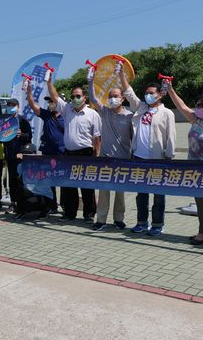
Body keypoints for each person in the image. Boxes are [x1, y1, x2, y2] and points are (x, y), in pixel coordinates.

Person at [167, 83, 203, 245]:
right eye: (197, 105)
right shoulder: (196, 120)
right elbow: (180, 105)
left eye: (200, 106)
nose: (197, 108)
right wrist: (171, 89)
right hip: (192, 169)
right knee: (200, 202)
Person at [120, 71, 176, 236]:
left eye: (151, 93)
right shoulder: (141, 108)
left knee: (158, 195)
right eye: (146, 93)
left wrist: (169, 157)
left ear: (160, 95)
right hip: (139, 157)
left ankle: (157, 224)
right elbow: (129, 93)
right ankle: (142, 222)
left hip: (158, 159)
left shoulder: (167, 113)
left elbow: (171, 136)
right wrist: (122, 74)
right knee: (141, 194)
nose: (148, 96)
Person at [47, 79, 101, 222]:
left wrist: (96, 155)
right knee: (69, 185)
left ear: (85, 98)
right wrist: (49, 82)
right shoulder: (67, 110)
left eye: (78, 96)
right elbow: (55, 97)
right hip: (69, 154)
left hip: (86, 153)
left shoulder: (92, 114)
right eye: (73, 96)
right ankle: (70, 213)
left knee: (86, 185)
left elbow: (97, 137)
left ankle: (89, 214)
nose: (75, 99)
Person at [87, 78, 133, 231]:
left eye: (116, 96)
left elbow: (134, 137)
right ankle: (100, 220)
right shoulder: (105, 112)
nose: (113, 98)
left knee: (120, 192)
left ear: (123, 98)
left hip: (123, 159)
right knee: (104, 190)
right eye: (110, 96)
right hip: (105, 159)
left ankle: (118, 219)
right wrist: (90, 81)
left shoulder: (130, 116)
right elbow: (93, 98)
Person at [25, 84, 65, 209]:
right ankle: (51, 206)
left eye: (52, 101)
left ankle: (65, 206)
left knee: (64, 181)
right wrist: (29, 92)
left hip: (63, 153)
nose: (50, 103)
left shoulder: (67, 115)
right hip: (47, 152)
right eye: (49, 101)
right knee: (49, 180)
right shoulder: (47, 114)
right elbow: (32, 105)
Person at [1, 98, 32, 216]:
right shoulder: (5, 121)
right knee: (12, 181)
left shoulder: (23, 121)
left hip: (21, 156)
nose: (11, 107)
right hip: (10, 155)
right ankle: (13, 203)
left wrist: (22, 135)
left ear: (18, 107)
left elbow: (29, 137)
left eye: (13, 105)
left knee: (20, 181)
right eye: (9, 105)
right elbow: (1, 138)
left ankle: (22, 204)